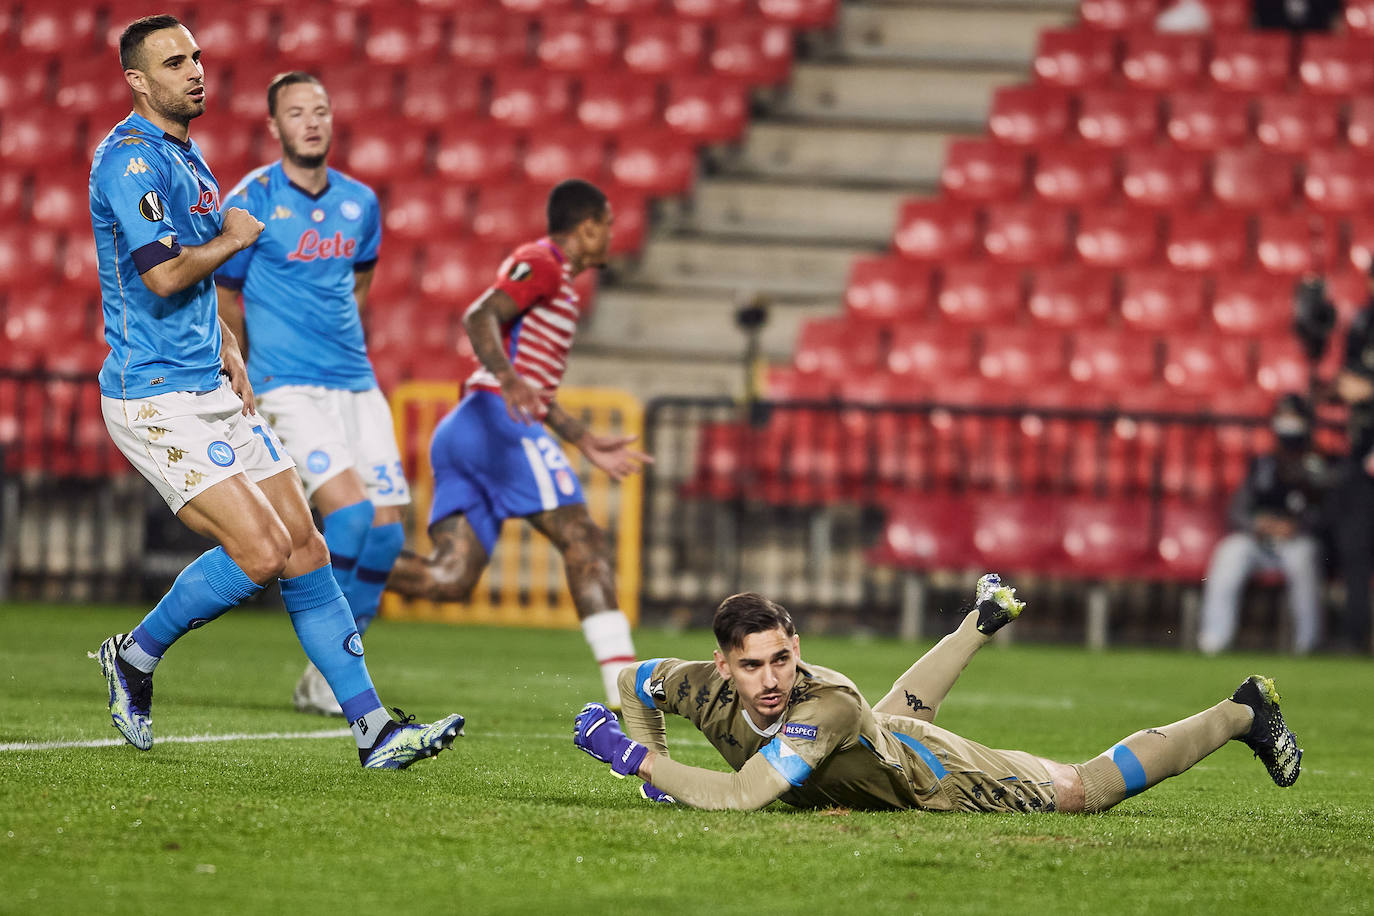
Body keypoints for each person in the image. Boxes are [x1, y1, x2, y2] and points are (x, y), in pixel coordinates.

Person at [89, 15, 463, 768]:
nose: (194, 71)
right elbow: (164, 273)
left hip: (209, 383)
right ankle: (134, 655)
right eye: (172, 62)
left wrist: (228, 344)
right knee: (258, 551)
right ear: (136, 80)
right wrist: (232, 238)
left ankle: (372, 730)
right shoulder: (129, 163)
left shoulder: (189, 159)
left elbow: (190, 292)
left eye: (196, 56)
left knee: (306, 547)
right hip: (152, 393)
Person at [573, 575, 1302, 812]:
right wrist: (658, 773)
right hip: (871, 741)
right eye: (754, 666)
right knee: (888, 718)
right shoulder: (690, 682)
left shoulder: (819, 703)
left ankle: (1241, 710)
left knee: (1082, 789)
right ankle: (982, 618)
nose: (771, 680)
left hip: (932, 775)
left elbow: (740, 798)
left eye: (783, 660)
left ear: (797, 649)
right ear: (721, 666)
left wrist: (632, 759)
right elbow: (631, 684)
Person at [386, 179, 650, 707]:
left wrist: (583, 439)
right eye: (608, 226)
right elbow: (480, 314)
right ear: (589, 226)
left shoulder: (561, 285)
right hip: (495, 423)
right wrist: (507, 378)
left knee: (449, 578)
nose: (612, 237)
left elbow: (536, 388)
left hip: (471, 427)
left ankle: (331, 560)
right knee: (585, 541)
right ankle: (625, 693)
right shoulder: (544, 262)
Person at [215, 71, 409, 716]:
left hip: (355, 381)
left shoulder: (361, 202)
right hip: (286, 384)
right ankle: (337, 675)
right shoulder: (252, 200)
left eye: (321, 109)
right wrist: (240, 360)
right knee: (352, 517)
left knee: (385, 536)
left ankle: (320, 676)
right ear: (274, 127)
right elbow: (223, 292)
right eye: (296, 112)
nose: (312, 121)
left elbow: (360, 280)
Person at [1197, 393, 1329, 655]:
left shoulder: (1321, 465)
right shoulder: (1262, 464)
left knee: (1303, 558)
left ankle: (1308, 644)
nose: (1288, 424)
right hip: (1258, 539)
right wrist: (1257, 523)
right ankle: (1213, 640)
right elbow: (1237, 509)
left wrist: (1297, 526)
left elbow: (1328, 513)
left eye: (1294, 418)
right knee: (1230, 551)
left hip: (1297, 540)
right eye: (1283, 417)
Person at [1329, 294, 1374, 654]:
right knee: (1355, 549)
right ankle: (1354, 635)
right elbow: (1344, 381)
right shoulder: (1362, 322)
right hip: (1361, 460)